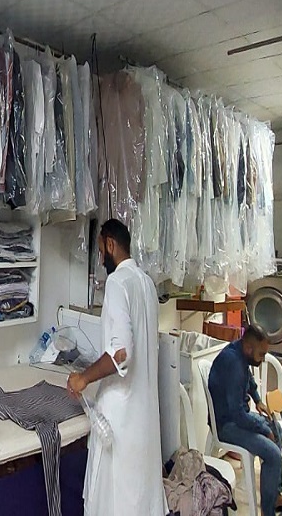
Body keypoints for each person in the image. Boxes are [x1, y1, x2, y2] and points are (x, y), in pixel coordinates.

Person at [67, 219, 167, 515]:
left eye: (101, 251)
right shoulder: (146, 284)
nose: (101, 259)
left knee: (114, 500)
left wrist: (83, 378)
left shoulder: (117, 282)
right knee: (138, 499)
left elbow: (121, 353)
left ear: (110, 244)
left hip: (120, 416)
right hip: (144, 416)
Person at [208, 325, 282, 516]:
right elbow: (238, 414)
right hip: (227, 425)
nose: (263, 359)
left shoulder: (240, 352)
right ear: (249, 348)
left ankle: (275, 495)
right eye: (261, 355)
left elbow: (249, 379)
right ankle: (267, 512)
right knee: (273, 454)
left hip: (237, 417)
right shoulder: (234, 364)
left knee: (276, 429)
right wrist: (263, 429)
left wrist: (258, 400)